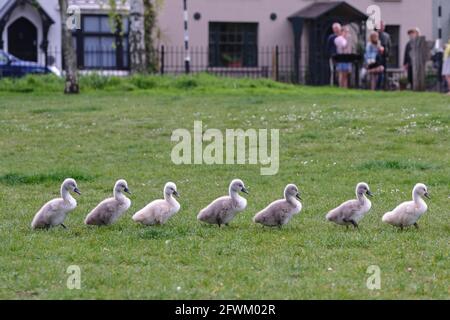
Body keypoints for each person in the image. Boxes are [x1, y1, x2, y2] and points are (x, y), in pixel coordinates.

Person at [377, 21, 391, 90]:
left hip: (384, 57)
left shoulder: (387, 35)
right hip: (377, 58)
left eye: (383, 26)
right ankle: (378, 87)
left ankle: (384, 87)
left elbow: (389, 46)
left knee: (385, 73)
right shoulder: (375, 35)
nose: (382, 27)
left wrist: (388, 56)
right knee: (379, 73)